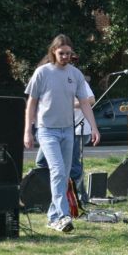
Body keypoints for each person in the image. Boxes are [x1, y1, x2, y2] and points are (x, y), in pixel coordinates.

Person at [24, 35, 100, 233]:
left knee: (64, 175)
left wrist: (94, 128)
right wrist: (28, 131)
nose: (65, 57)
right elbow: (31, 103)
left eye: (68, 53)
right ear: (53, 52)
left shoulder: (75, 74)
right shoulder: (42, 72)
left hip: (68, 131)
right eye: (61, 53)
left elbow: (85, 103)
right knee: (57, 170)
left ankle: (53, 217)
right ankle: (63, 215)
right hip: (46, 130)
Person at [35, 62, 94, 207]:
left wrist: (68, 103)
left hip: (77, 129)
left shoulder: (75, 77)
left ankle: (79, 197)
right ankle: (52, 195)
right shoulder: (49, 80)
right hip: (53, 128)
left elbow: (91, 100)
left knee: (72, 165)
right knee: (42, 162)